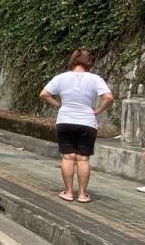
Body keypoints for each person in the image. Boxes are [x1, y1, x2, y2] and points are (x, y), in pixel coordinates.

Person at [40, 49, 115, 203]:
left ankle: (68, 192)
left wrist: (58, 104)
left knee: (68, 157)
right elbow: (109, 98)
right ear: (89, 62)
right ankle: (82, 194)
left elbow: (44, 94)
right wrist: (97, 110)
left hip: (65, 120)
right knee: (83, 159)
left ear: (72, 61)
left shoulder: (61, 77)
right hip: (87, 122)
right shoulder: (95, 79)